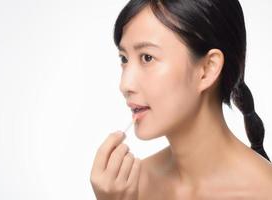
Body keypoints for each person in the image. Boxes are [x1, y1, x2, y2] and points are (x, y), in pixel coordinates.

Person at [90, 0, 272, 199]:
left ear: (207, 69)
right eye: (124, 59)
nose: (125, 85)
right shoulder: (130, 187)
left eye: (147, 57)